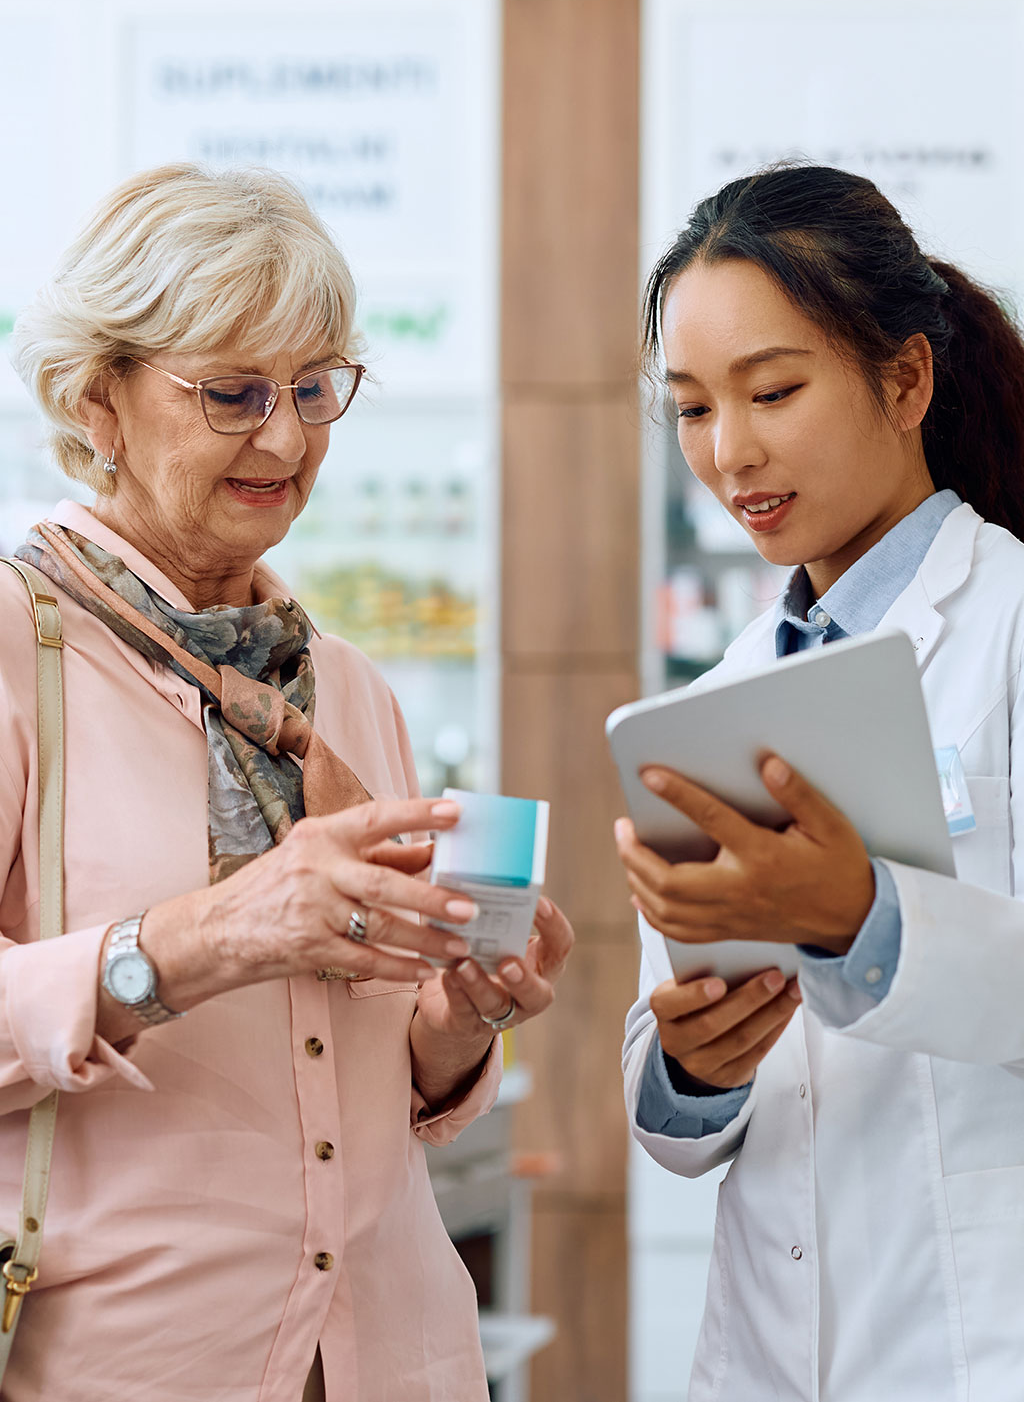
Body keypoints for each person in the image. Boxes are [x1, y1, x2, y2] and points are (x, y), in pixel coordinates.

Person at [0, 162, 573, 1402]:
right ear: (98, 398)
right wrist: (201, 937)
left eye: (316, 388)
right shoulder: (14, 645)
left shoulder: (346, 686)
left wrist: (466, 1013)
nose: (288, 437)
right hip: (131, 1365)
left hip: (390, 1358)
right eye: (233, 392)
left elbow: (376, 1085)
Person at [618, 164, 1024, 1402]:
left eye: (773, 391)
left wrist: (863, 919)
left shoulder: (1006, 622)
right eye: (689, 408)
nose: (728, 452)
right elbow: (676, 1116)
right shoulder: (710, 701)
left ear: (904, 380)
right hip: (768, 1353)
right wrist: (693, 1069)